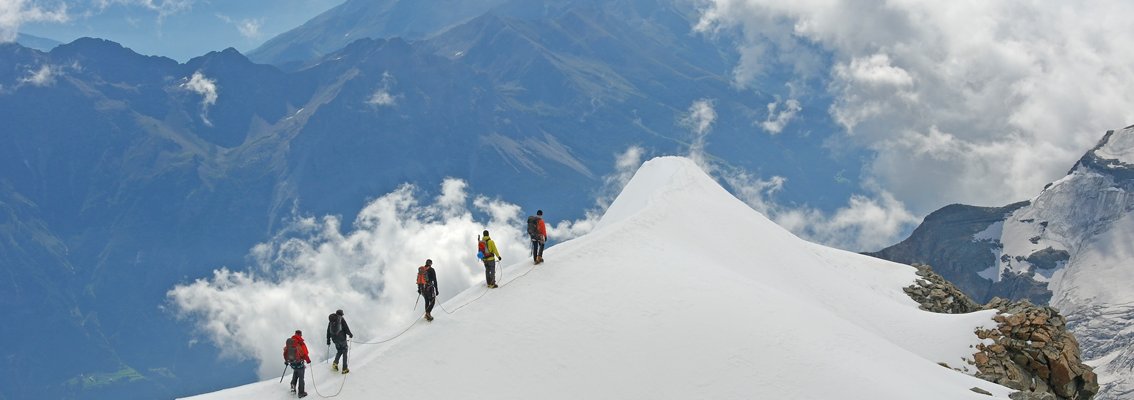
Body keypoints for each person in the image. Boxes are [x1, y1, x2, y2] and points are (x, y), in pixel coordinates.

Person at [283, 329, 311, 398]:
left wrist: (286, 361)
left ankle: (293, 386)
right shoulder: (300, 342)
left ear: (295, 334)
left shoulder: (290, 342)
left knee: (295, 372)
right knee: (301, 377)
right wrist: (308, 360)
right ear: (300, 335)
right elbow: (305, 353)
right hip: (299, 363)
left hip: (292, 363)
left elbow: (285, 352)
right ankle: (301, 393)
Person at [326, 309, 353, 374]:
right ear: (341, 314)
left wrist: (328, 341)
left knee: (339, 351)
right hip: (342, 339)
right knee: (345, 351)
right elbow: (346, 328)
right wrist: (350, 334)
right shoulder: (341, 318)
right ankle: (344, 369)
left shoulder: (331, 321)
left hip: (335, 340)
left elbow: (328, 331)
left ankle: (335, 363)